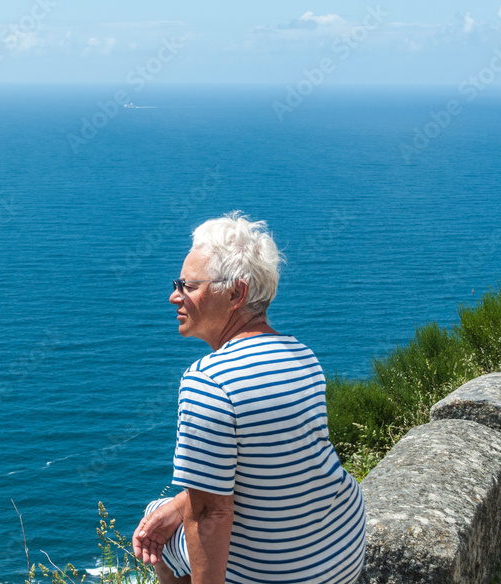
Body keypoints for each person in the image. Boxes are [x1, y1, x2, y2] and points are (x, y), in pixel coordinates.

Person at [132, 212, 366, 584]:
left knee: (152, 523)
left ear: (236, 294)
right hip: (343, 550)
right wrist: (179, 506)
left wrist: (184, 511)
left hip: (280, 576)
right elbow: (268, 466)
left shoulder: (209, 381)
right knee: (171, 508)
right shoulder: (302, 355)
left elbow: (210, 514)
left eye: (189, 285)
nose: (174, 295)